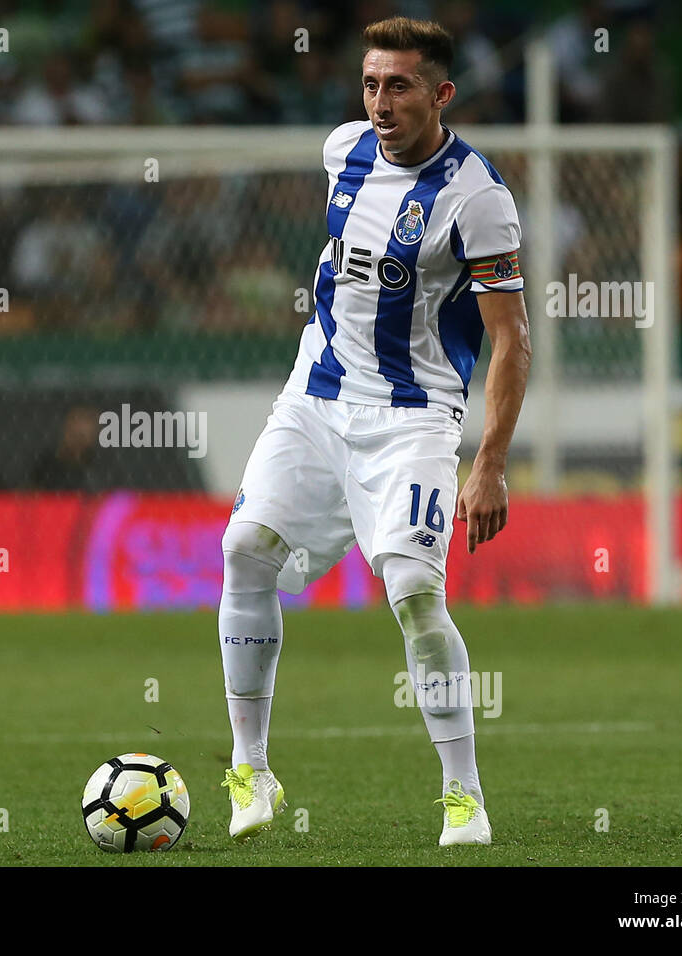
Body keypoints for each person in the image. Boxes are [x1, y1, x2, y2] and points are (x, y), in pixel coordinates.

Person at [218, 16, 531, 847]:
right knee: (244, 547)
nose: (381, 102)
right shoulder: (342, 152)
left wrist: (490, 464)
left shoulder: (478, 198)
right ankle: (252, 772)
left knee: (414, 595)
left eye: (398, 86)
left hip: (413, 417)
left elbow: (512, 339)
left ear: (440, 93)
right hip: (316, 395)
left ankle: (464, 796)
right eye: (370, 84)